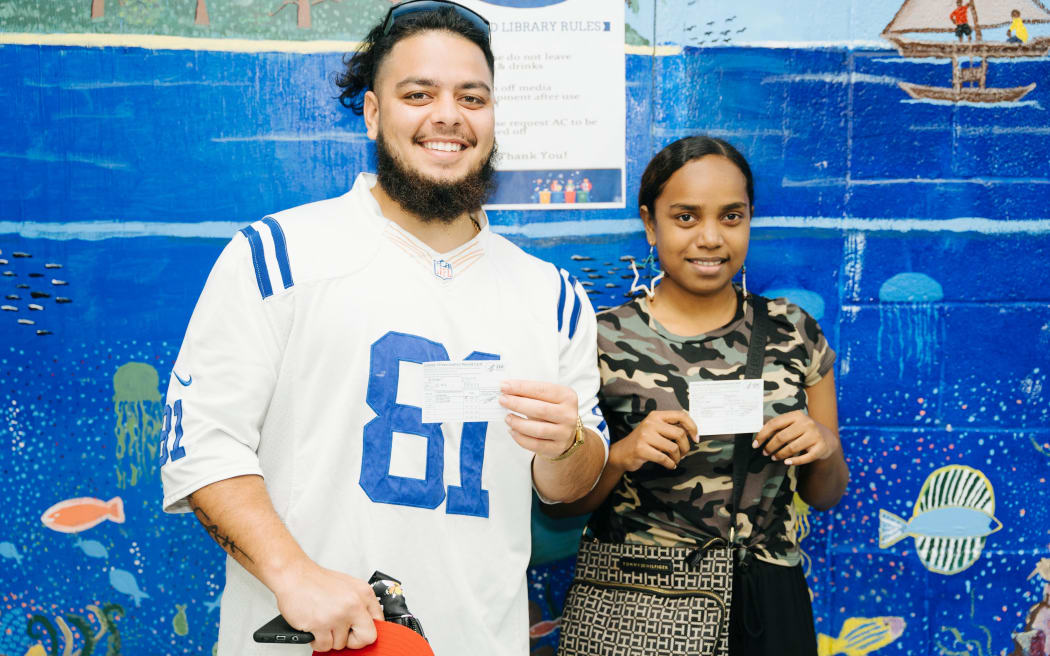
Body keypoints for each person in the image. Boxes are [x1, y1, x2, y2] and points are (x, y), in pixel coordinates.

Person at [159, 2, 609, 654]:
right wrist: (295, 575)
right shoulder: (276, 255)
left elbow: (571, 487)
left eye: (471, 96)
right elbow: (201, 444)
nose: (448, 114)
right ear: (373, 112)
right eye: (418, 93)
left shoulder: (553, 295)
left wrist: (565, 443)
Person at [549, 136, 849, 656]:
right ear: (650, 223)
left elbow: (826, 495)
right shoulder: (597, 339)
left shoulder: (794, 331)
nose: (710, 238)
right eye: (685, 217)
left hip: (769, 598)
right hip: (640, 603)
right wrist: (622, 455)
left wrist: (822, 443)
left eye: (731, 217)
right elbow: (560, 506)